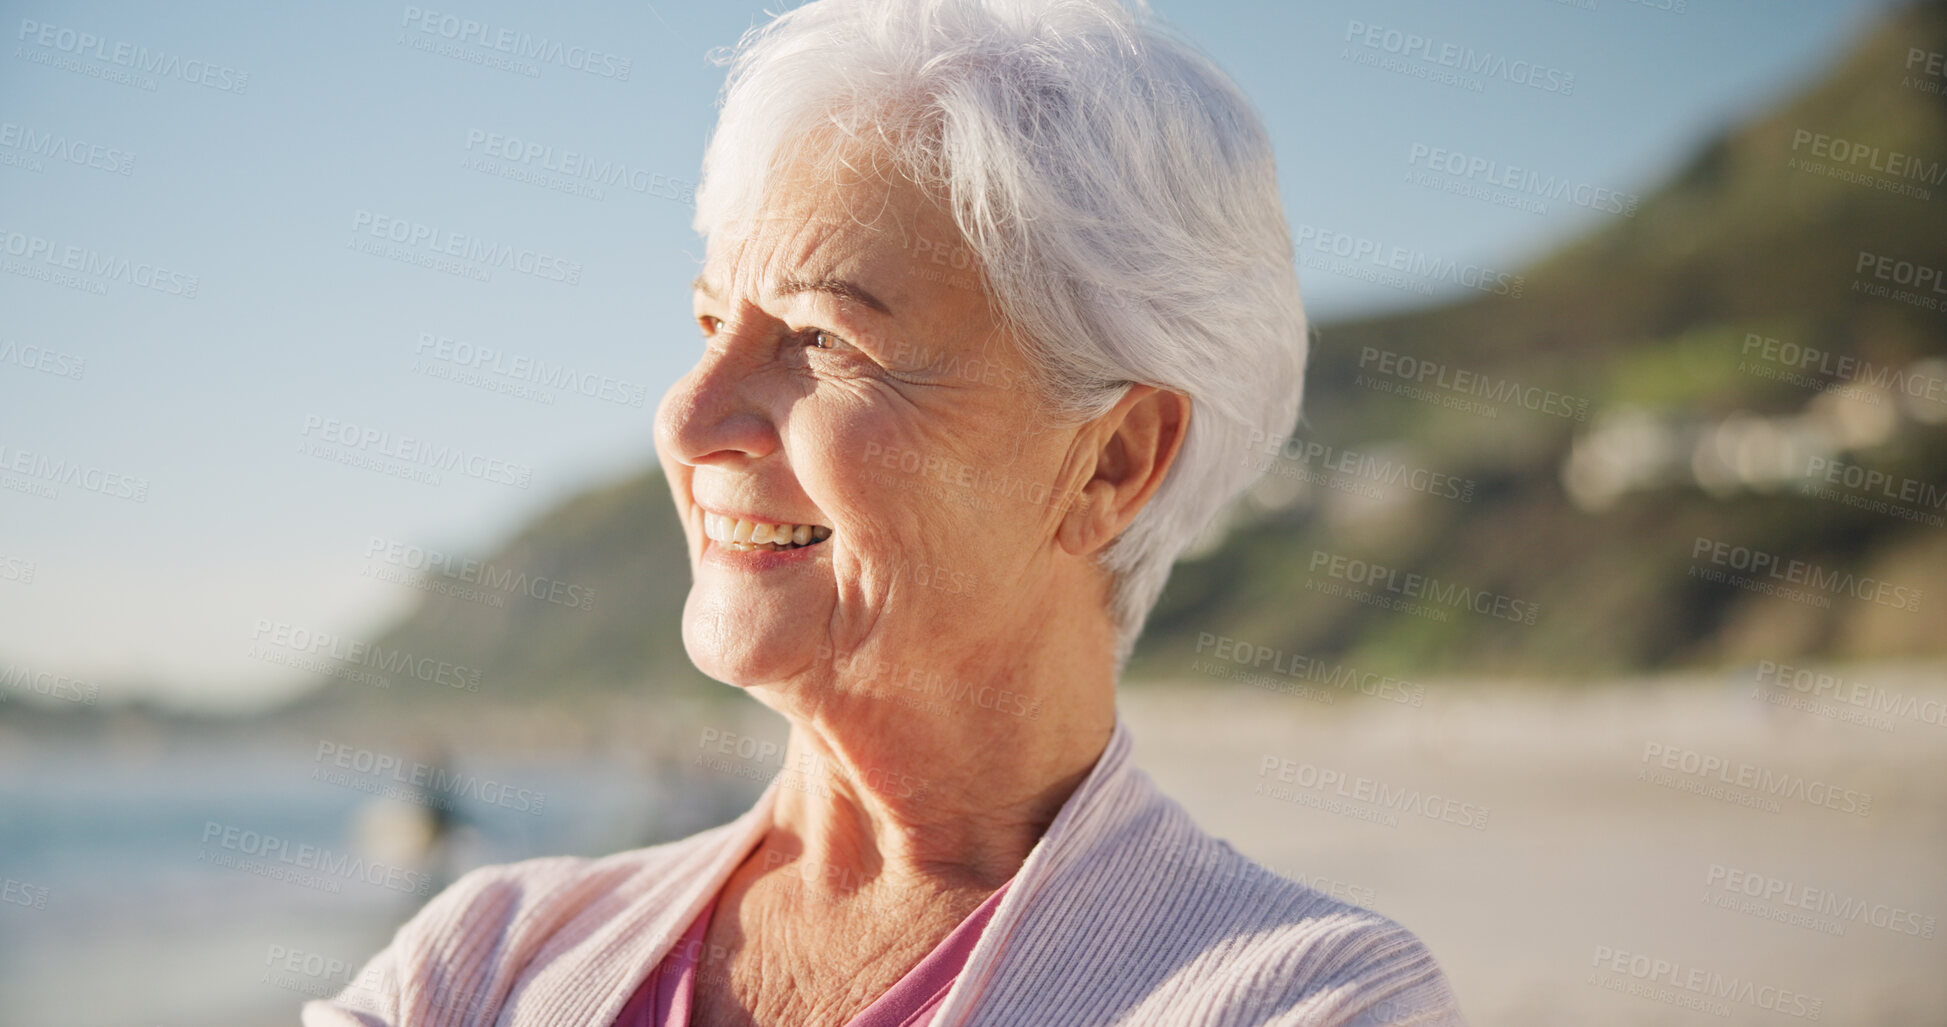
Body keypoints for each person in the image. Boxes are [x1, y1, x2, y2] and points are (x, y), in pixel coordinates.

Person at [304, 0, 1466, 1023]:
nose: (690, 417)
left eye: (822, 339)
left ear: (1111, 460)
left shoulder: (1304, 998)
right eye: (714, 324)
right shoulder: (480, 966)